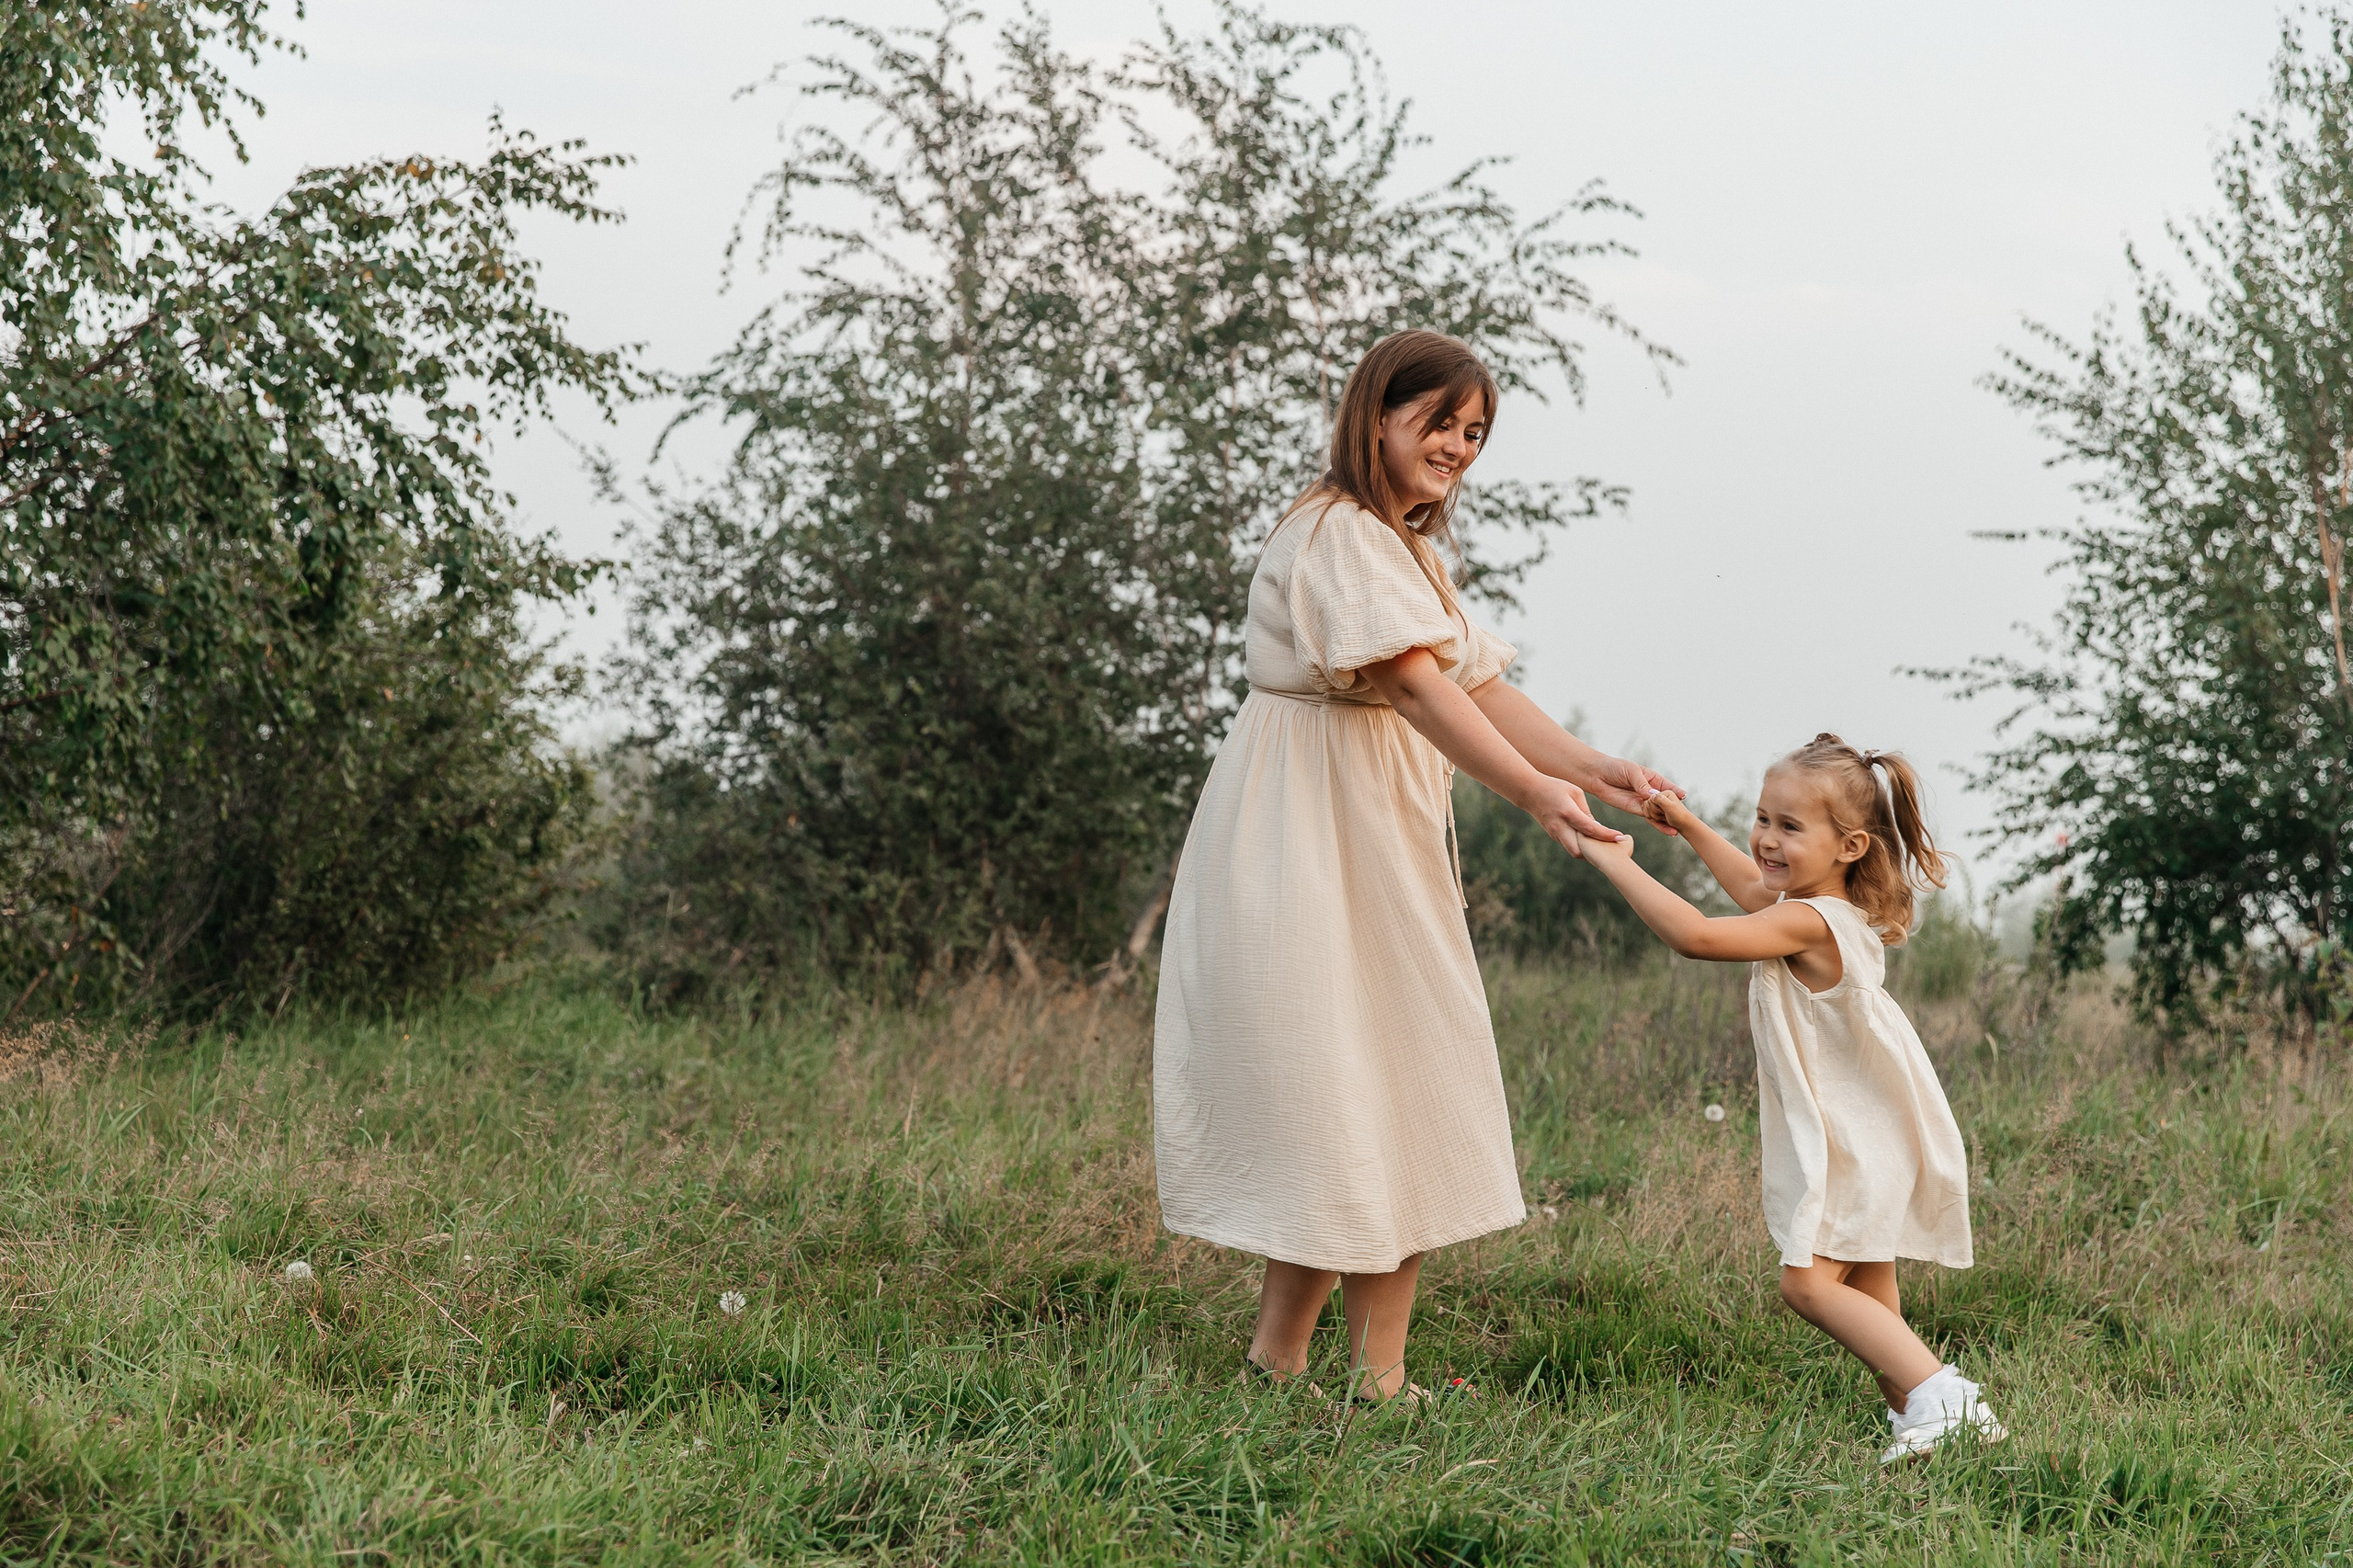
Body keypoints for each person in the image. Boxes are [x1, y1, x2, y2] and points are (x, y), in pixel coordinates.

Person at [1153, 329, 1677, 1402]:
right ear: (1377, 416)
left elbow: (1473, 683)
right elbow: (1413, 687)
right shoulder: (1340, 532)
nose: (1458, 446)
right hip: (1311, 833)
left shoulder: (1400, 547)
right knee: (1359, 1078)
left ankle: (1286, 1367)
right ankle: (1364, 1380)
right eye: (1440, 421)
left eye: (1476, 431)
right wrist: (1530, 793)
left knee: (1373, 1078)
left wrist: (1592, 765)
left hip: (1363, 831)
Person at [1574, 734, 2003, 1460]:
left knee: (1806, 1286)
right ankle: (1916, 1416)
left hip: (1856, 1141)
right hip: (1870, 1135)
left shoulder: (1810, 921)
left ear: (1851, 845)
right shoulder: (1819, 907)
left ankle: (1944, 1395)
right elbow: (1751, 890)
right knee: (1869, 1286)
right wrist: (1691, 826)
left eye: (1790, 827)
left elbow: (1700, 936)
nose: (1768, 838)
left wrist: (1617, 862)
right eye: (1762, 818)